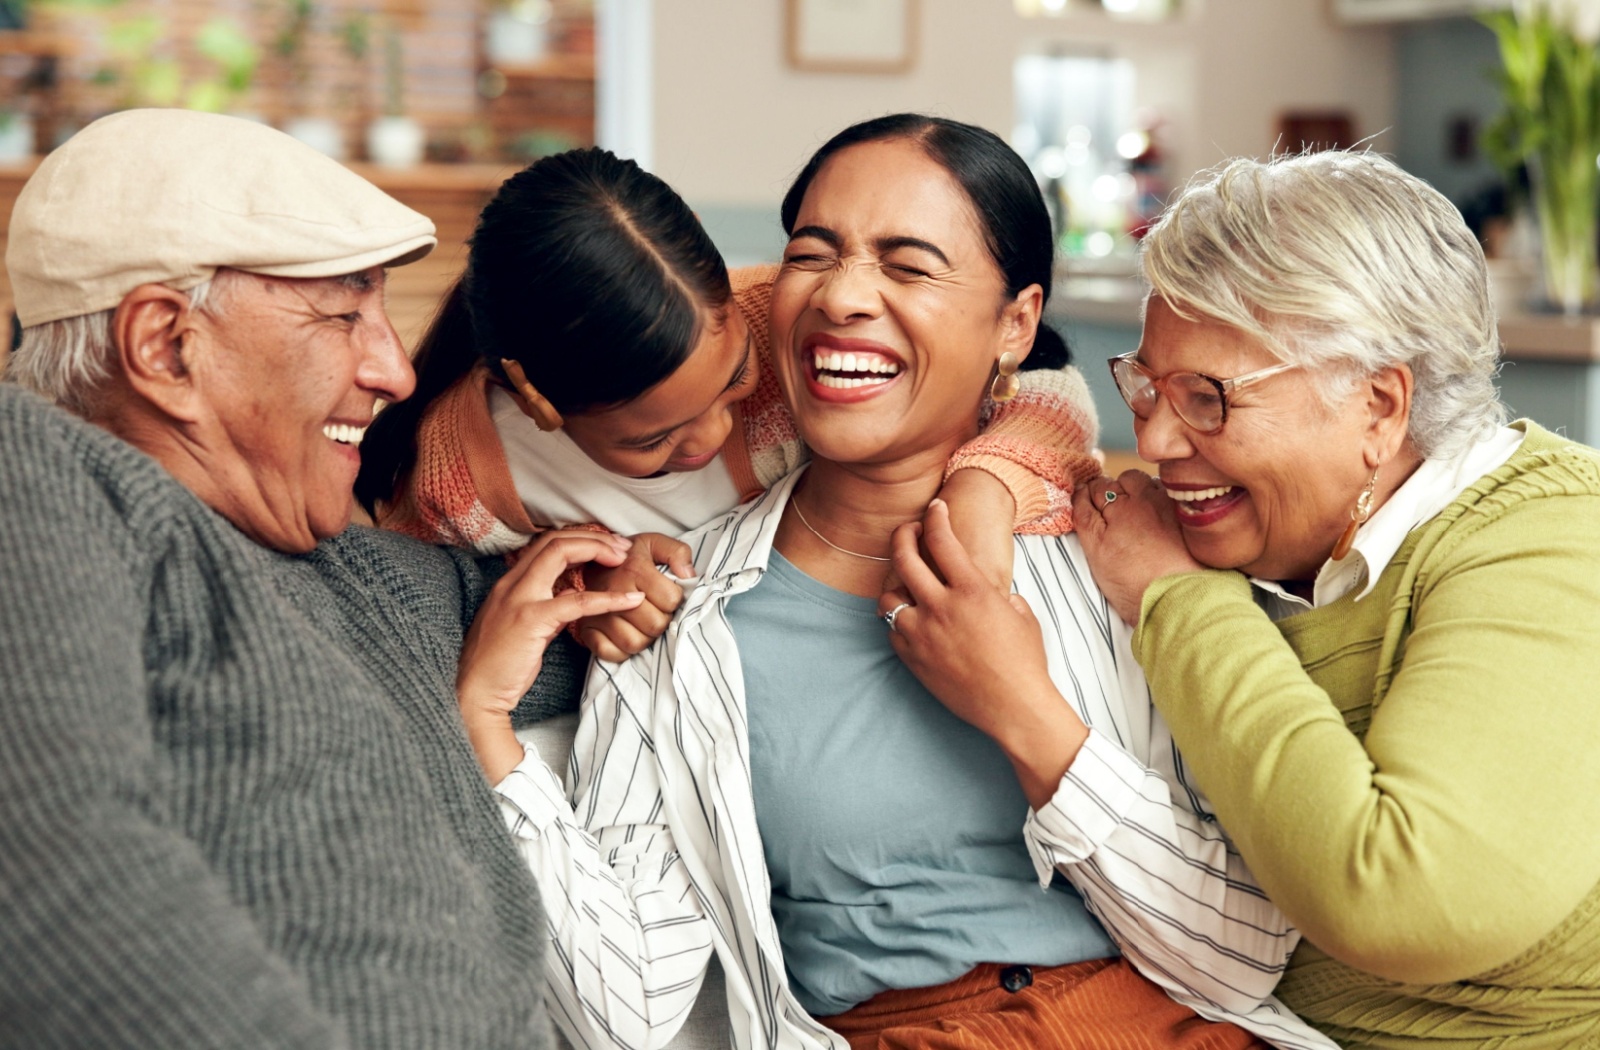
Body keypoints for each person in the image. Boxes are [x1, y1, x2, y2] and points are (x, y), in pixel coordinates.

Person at [455, 114, 1335, 1050]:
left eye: (908, 265)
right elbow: (621, 1009)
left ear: (1016, 324)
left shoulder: (1126, 553)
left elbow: (1239, 957)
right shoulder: (672, 614)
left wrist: (1024, 710)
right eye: (812, 254)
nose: (843, 297)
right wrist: (480, 722)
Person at [0, 109, 641, 1048]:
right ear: (165, 348)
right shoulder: (37, 472)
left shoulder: (352, 564)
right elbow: (55, 867)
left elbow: (586, 619)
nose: (394, 372)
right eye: (345, 313)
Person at [1067, 151, 1600, 1049]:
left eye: (1207, 397)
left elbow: (1406, 895)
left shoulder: (1554, 541)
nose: (1152, 438)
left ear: (1379, 407)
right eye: (1149, 386)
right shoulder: (1266, 535)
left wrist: (1181, 602)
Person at [354, 146, 1101, 668]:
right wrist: (588, 585)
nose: (713, 434)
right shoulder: (462, 478)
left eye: (734, 378)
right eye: (654, 438)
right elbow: (468, 605)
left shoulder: (791, 316)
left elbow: (1042, 378)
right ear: (538, 400)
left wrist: (988, 484)